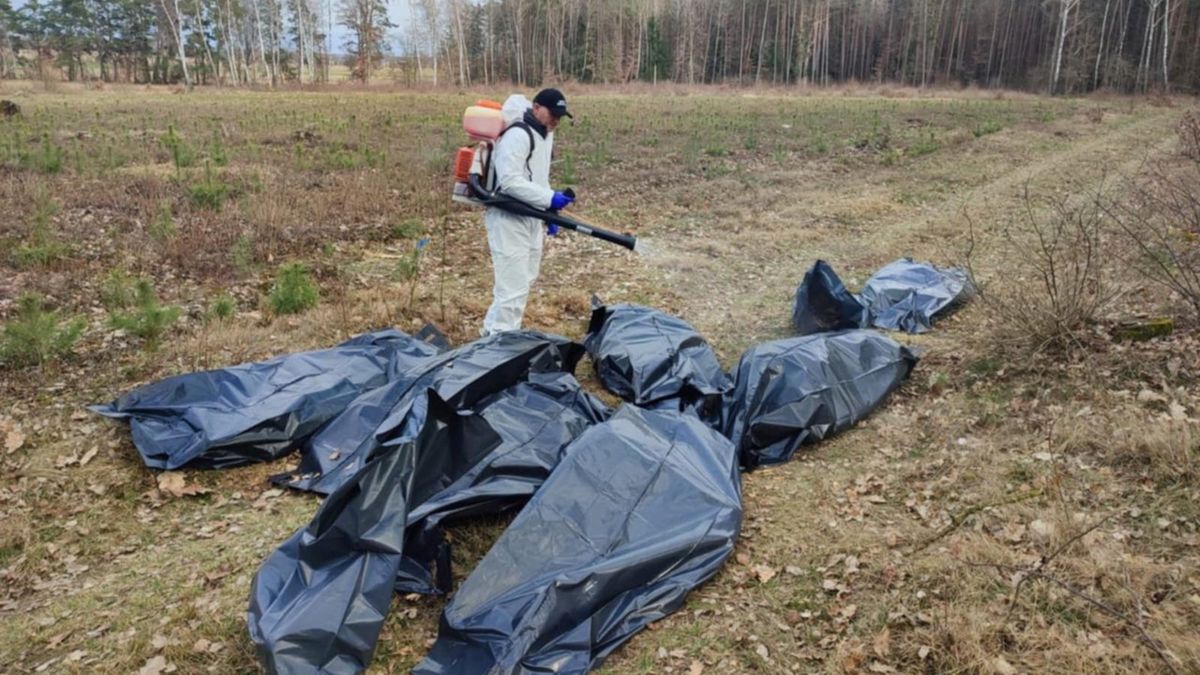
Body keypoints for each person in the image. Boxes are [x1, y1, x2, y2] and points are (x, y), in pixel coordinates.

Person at [481, 88, 574, 336]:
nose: (555, 120)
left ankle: (490, 335)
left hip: (532, 216)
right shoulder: (517, 135)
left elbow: (536, 178)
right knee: (512, 288)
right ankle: (499, 347)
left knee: (525, 279)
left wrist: (549, 210)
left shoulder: (545, 134)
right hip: (509, 217)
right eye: (552, 114)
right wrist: (549, 198)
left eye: (559, 117)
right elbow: (510, 181)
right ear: (535, 108)